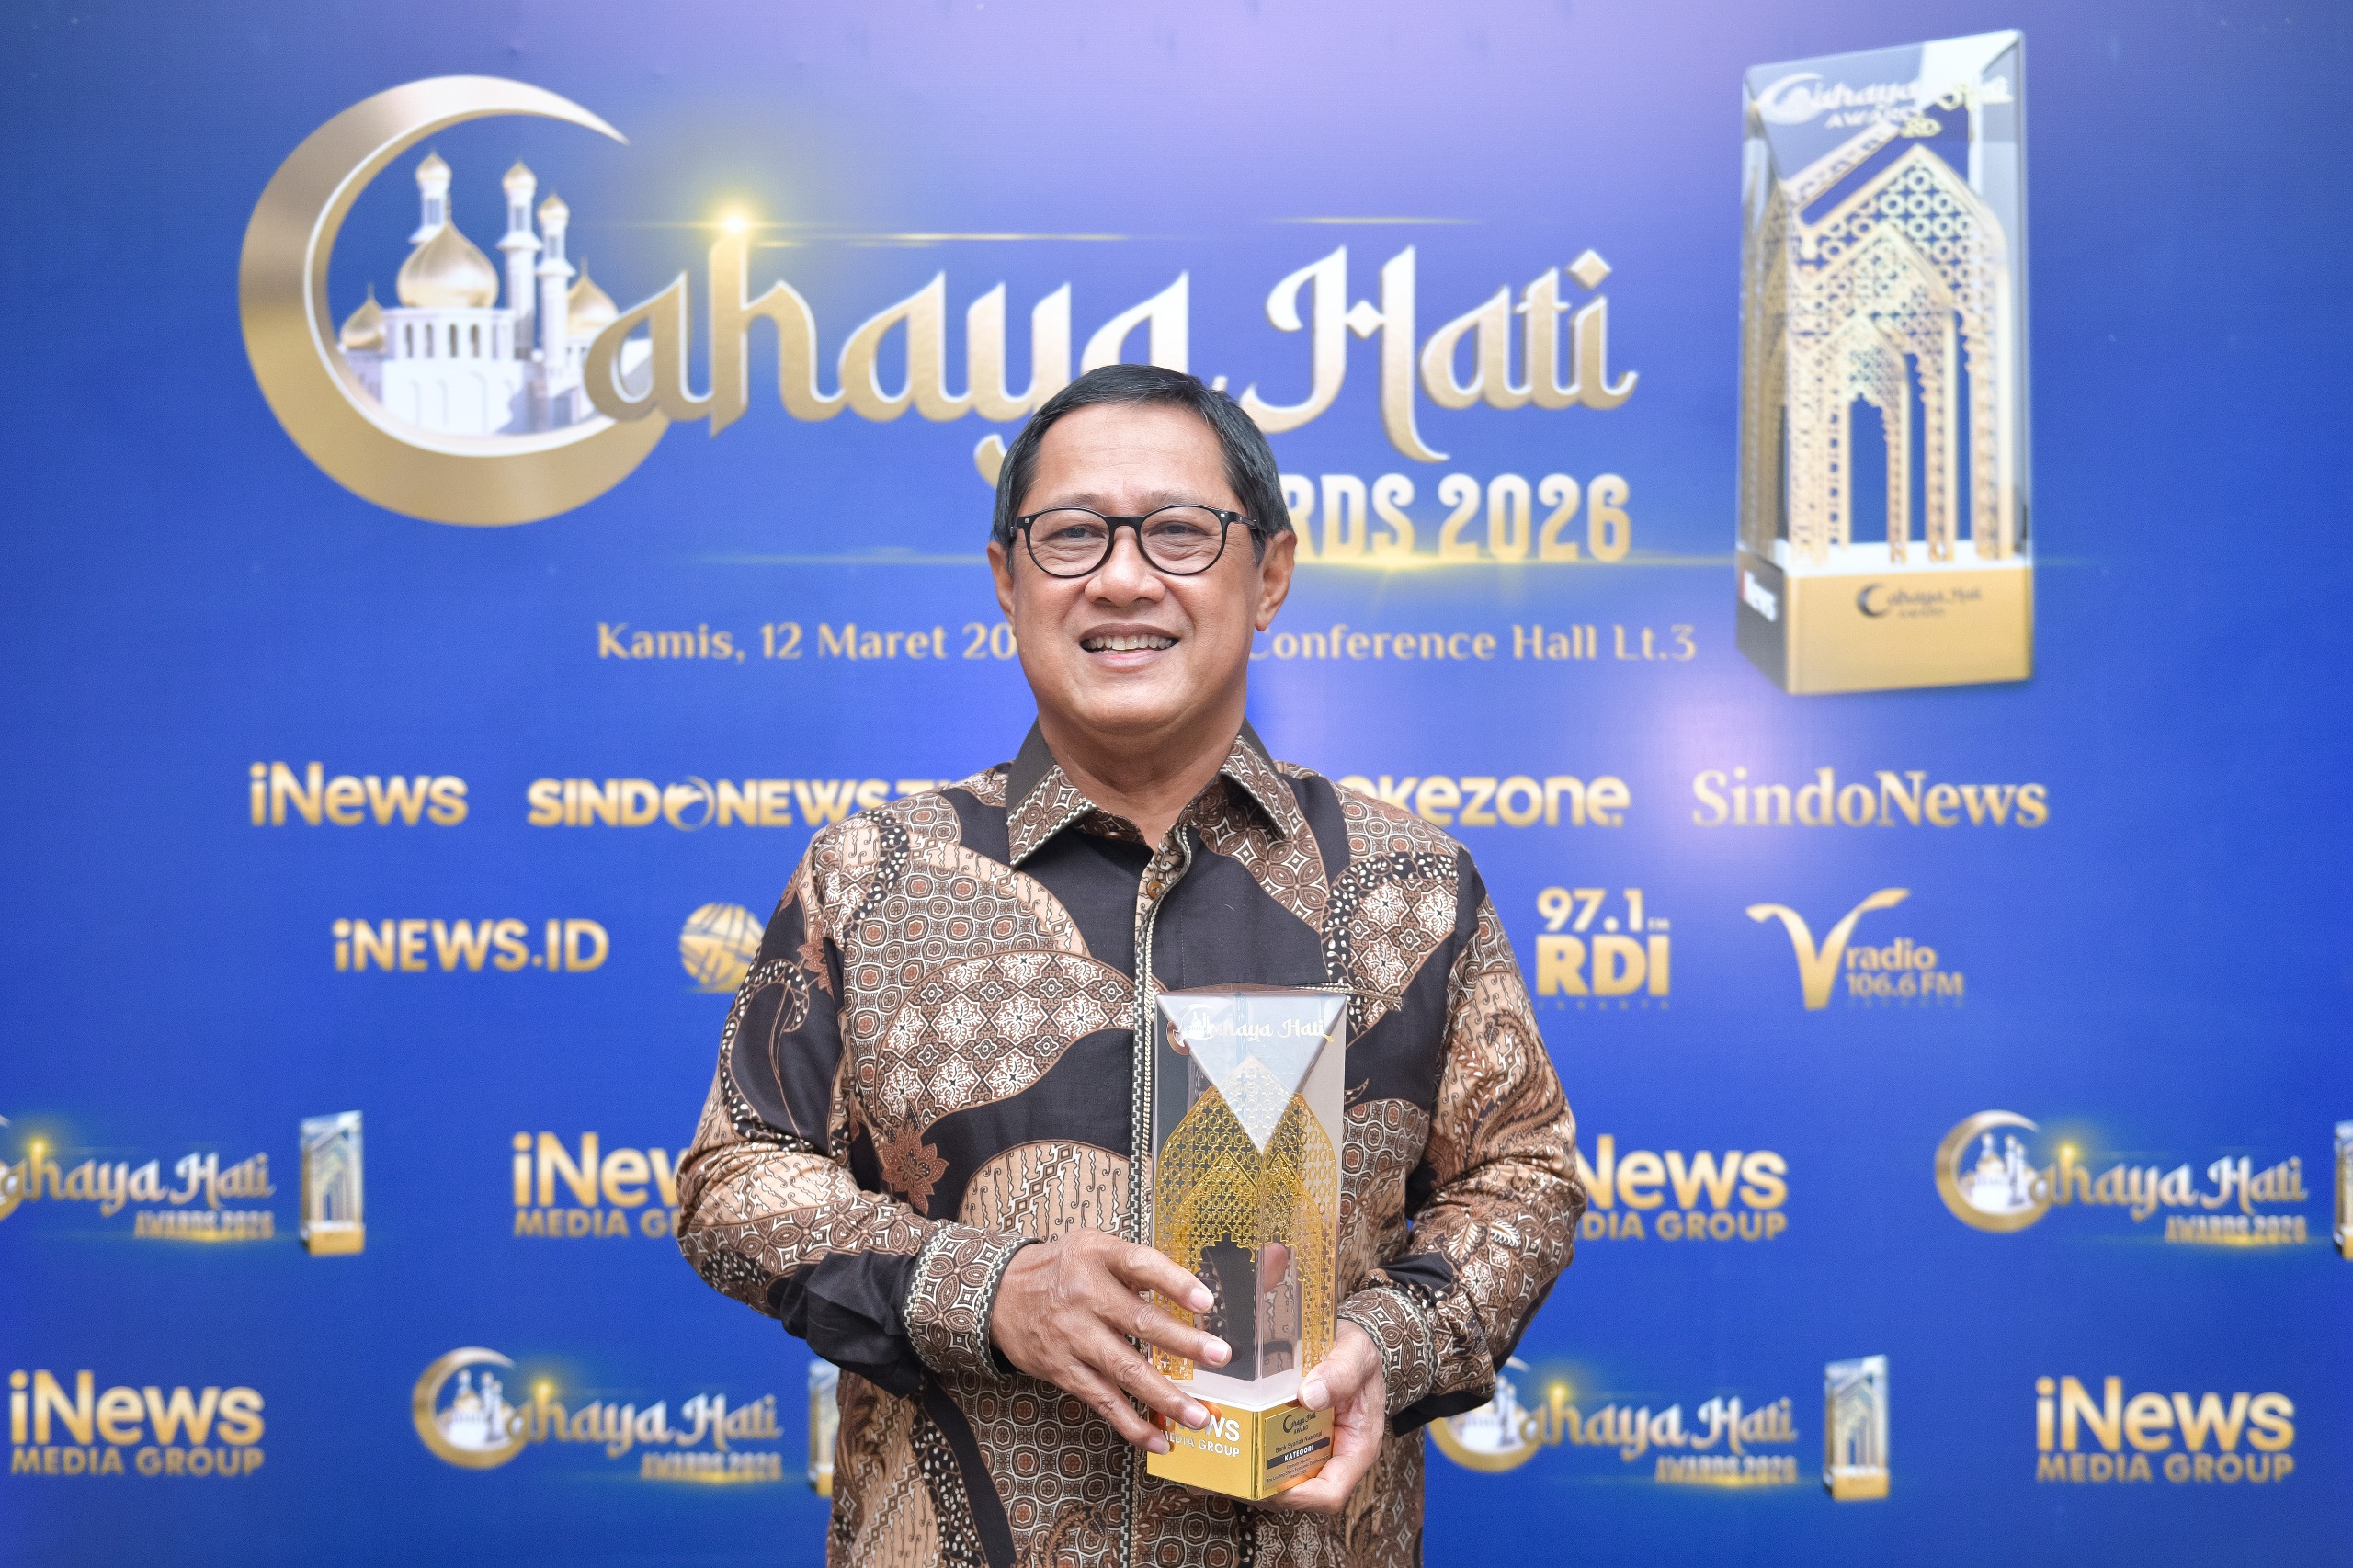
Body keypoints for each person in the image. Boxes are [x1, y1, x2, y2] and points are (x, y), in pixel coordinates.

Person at [675, 364, 1585, 1567]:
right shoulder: (875, 874)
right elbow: (733, 1178)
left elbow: (1524, 1175)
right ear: (1007, 580)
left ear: (1270, 574)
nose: (1121, 577)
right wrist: (987, 1289)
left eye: (1178, 531)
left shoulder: (1407, 885)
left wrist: (1393, 1339)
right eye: (1071, 534)